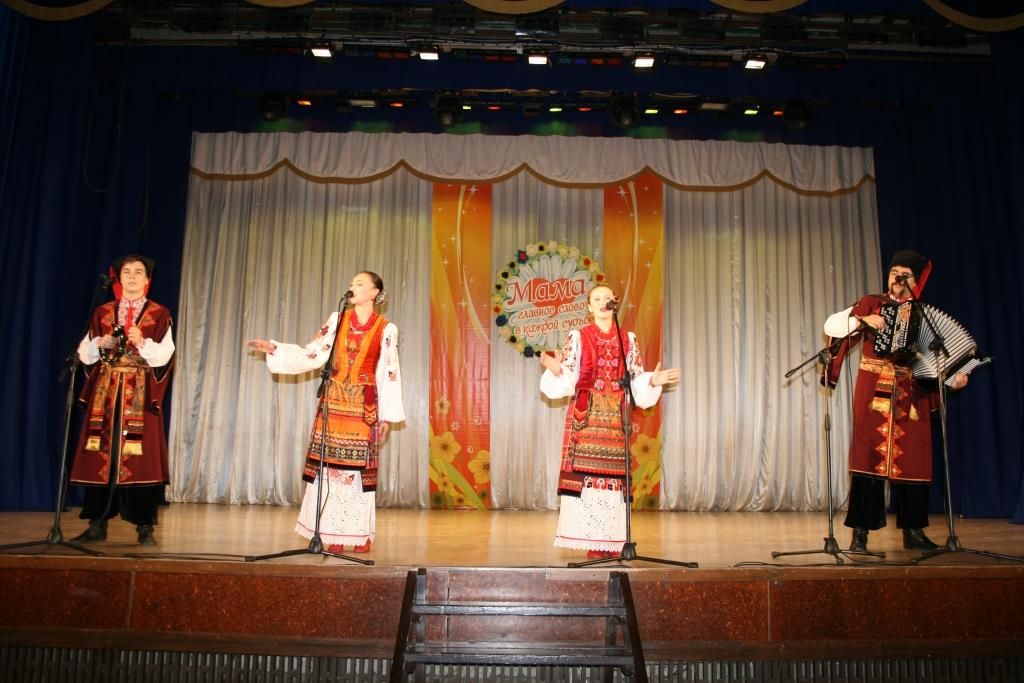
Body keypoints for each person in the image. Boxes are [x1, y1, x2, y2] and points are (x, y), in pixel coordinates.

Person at [247, 271, 404, 553]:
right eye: (351, 283)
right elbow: (314, 353)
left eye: (359, 284)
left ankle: (360, 534)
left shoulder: (386, 329)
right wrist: (274, 348)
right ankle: (332, 532)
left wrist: (386, 416)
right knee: (330, 471)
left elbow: (389, 371)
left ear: (374, 293)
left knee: (356, 473)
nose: (352, 287)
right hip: (333, 402)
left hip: (363, 408)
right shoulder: (337, 320)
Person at [824, 249, 968, 552]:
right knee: (867, 459)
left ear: (916, 282)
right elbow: (833, 329)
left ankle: (913, 532)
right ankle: (860, 533)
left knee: (913, 460)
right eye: (894, 273)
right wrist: (861, 320)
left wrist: (952, 380)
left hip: (911, 395)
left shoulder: (925, 316)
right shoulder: (871, 302)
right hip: (873, 391)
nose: (897, 279)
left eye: (905, 275)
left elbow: (934, 363)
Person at [539, 284, 680, 559]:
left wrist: (653, 380)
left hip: (615, 416)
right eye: (597, 298)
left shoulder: (628, 339)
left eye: (607, 298)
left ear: (615, 303)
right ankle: (592, 542)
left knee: (613, 480)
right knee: (588, 479)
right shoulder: (578, 336)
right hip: (587, 416)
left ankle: (611, 542)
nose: (602, 302)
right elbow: (569, 373)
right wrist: (557, 370)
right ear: (589, 307)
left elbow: (635, 378)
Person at [70, 254, 175, 546]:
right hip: (105, 394)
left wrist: (142, 342)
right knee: (101, 453)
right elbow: (84, 353)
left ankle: (145, 527)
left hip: (138, 394)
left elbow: (165, 355)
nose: (131, 276)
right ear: (119, 278)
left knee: (140, 457)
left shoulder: (159, 314)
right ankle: (97, 524)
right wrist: (99, 344)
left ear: (147, 279)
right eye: (126, 271)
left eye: (138, 272)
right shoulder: (102, 312)